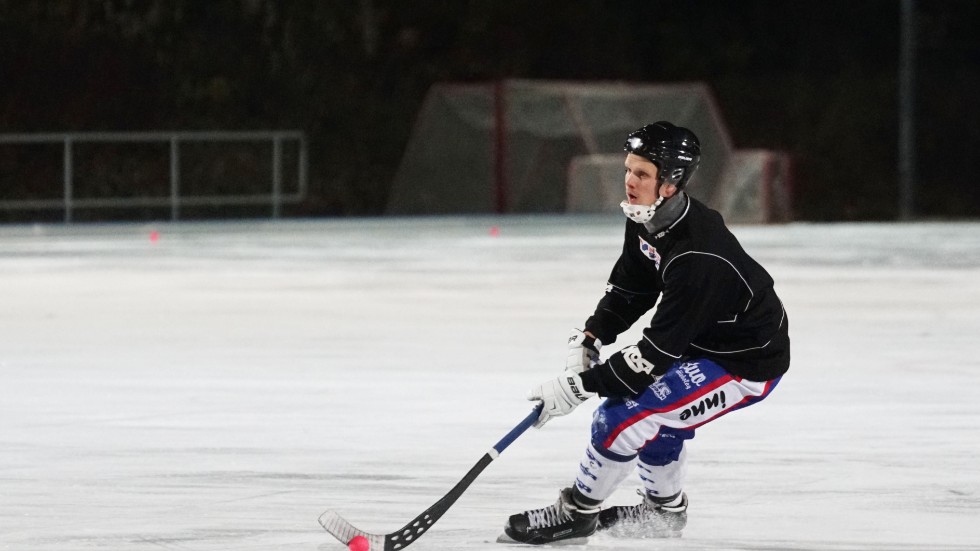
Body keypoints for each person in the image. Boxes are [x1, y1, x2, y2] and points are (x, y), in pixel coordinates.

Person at [501, 121, 790, 544]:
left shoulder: (697, 257)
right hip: (701, 339)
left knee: (622, 417)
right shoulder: (646, 217)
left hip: (742, 361)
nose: (629, 182)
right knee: (655, 416)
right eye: (628, 170)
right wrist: (592, 336)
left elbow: (650, 357)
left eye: (642, 174)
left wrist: (576, 387)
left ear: (670, 184)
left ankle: (577, 515)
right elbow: (630, 288)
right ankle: (664, 513)